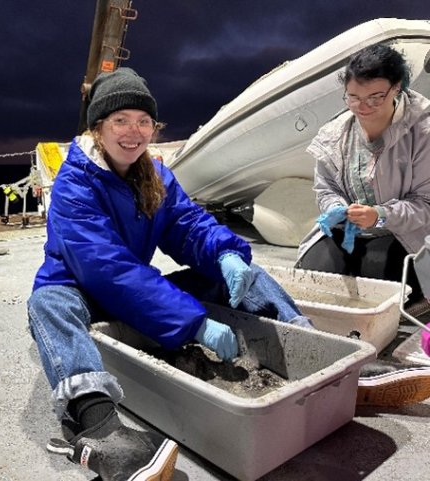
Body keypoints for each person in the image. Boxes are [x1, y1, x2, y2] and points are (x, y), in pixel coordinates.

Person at [27, 67, 313, 481]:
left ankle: (316, 351)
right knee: (47, 303)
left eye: (144, 121)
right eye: (121, 121)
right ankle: (102, 430)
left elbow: (190, 227)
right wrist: (194, 323)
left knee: (240, 271)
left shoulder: (156, 176)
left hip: (137, 299)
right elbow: (107, 270)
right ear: (97, 128)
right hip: (85, 293)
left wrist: (225, 256)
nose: (134, 131)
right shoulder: (74, 184)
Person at [296, 43, 430, 406]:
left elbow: (426, 205)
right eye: (353, 97)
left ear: (397, 88)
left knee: (377, 276)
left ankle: (379, 356)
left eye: (375, 97)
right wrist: (336, 207)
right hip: (353, 230)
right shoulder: (334, 134)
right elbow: (324, 189)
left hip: (403, 233)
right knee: (313, 273)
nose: (363, 107)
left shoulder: (424, 131)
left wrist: (382, 214)